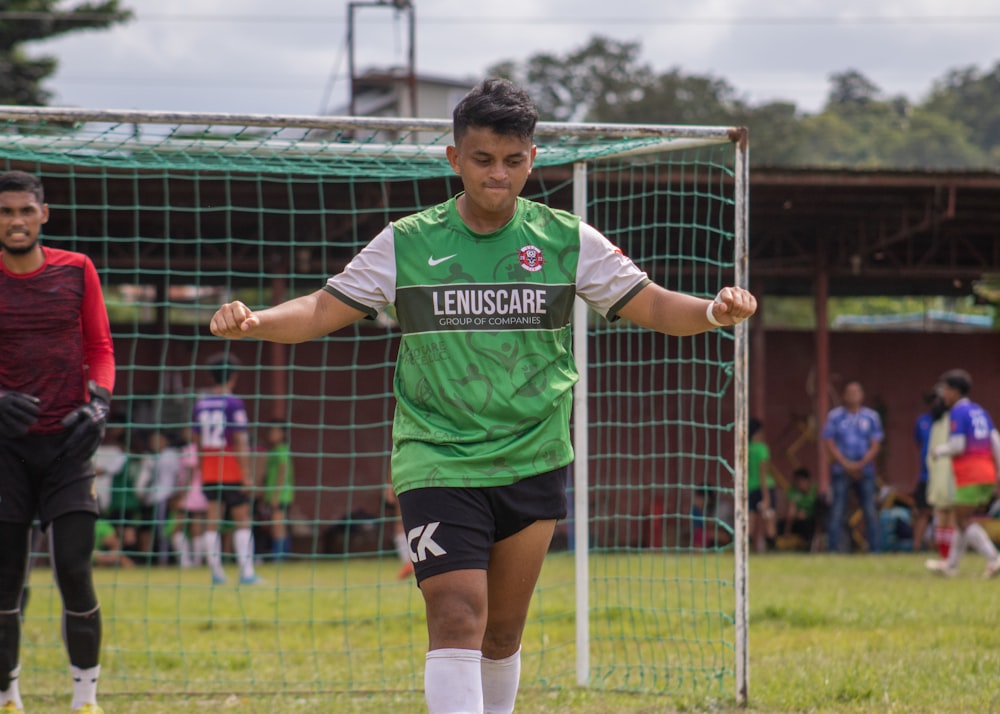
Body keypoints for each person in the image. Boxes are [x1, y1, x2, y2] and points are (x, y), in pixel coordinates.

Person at [208, 78, 757, 714]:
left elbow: (657, 305)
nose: (498, 176)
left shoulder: (565, 239)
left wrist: (714, 311)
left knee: (501, 633)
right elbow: (319, 308)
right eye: (482, 160)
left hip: (535, 455)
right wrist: (256, 321)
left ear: (532, 158)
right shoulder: (408, 242)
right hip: (437, 457)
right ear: (453, 158)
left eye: (513, 161)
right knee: (458, 615)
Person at [0, 169, 115, 714]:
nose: (16, 221)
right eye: (5, 212)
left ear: (43, 214)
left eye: (25, 210)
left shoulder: (77, 270)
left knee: (73, 567)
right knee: (5, 581)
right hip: (6, 453)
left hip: (69, 450)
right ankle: (8, 696)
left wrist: (99, 403)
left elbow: (101, 346)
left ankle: (85, 698)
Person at [191, 354, 261, 585]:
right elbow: (240, 440)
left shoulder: (200, 404)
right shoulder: (233, 403)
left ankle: (217, 573)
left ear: (211, 376)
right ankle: (247, 572)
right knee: (242, 518)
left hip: (210, 471)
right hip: (231, 469)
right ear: (234, 376)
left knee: (213, 520)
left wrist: (202, 469)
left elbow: (196, 441)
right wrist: (248, 475)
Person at [924, 369, 1000, 578]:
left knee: (964, 521)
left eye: (946, 389)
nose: (943, 394)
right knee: (960, 520)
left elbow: (958, 445)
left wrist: (939, 450)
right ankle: (950, 565)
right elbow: (996, 441)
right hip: (986, 472)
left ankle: (994, 558)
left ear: (956, 391)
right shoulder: (979, 410)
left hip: (970, 473)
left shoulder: (958, 412)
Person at [821, 381, 884, 554]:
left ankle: (875, 550)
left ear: (862, 395)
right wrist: (846, 463)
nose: (853, 396)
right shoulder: (835, 417)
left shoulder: (871, 417)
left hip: (866, 470)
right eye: (849, 392)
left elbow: (876, 444)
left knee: (870, 510)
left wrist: (860, 464)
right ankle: (833, 550)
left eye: (856, 392)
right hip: (841, 470)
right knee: (837, 510)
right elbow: (828, 442)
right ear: (844, 395)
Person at [910, 391, 938, 552]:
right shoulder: (922, 421)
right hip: (926, 475)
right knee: (923, 512)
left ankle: (941, 548)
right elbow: (919, 443)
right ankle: (916, 546)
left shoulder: (949, 420)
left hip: (944, 475)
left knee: (945, 513)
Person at [262, 420, 295, 561]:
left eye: (275, 431)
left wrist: (276, 495)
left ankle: (279, 557)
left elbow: (283, 471)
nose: (271, 434)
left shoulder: (281, 449)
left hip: (281, 495)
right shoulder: (274, 450)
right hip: (275, 494)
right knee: (279, 525)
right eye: (271, 430)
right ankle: (282, 555)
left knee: (277, 525)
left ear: (283, 434)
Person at [747, 418, 777, 553]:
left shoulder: (745, 448)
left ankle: (746, 548)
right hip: (764, 487)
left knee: (750, 518)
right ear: (757, 432)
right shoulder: (762, 449)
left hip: (750, 487)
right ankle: (771, 549)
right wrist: (766, 496)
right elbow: (763, 473)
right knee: (769, 518)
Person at [781, 467, 820, 551]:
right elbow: (791, 511)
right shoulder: (793, 491)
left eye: (801, 481)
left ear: (807, 481)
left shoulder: (815, 490)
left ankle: (810, 544)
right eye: (797, 482)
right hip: (797, 521)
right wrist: (787, 531)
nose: (798, 484)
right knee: (780, 525)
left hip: (813, 521)